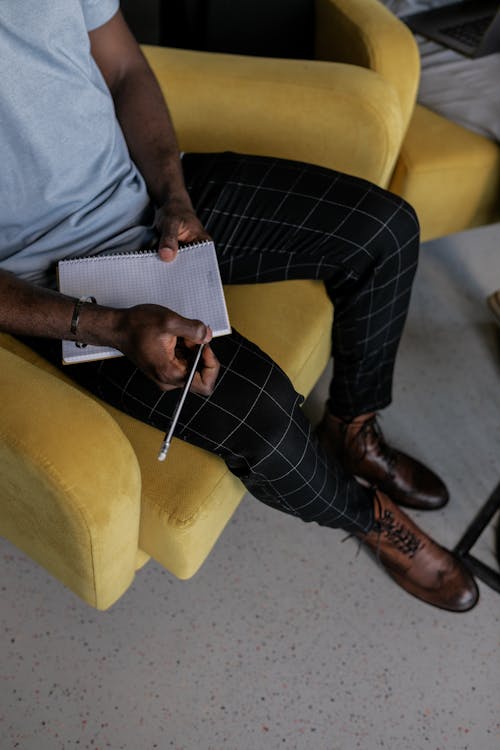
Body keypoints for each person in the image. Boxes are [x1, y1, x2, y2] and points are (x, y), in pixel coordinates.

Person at [0, 1, 479, 612]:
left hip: (145, 193)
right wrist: (112, 325)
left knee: (384, 230)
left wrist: (174, 195)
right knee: (268, 420)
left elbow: (122, 68)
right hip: (50, 277)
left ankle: (353, 429)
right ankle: (366, 516)